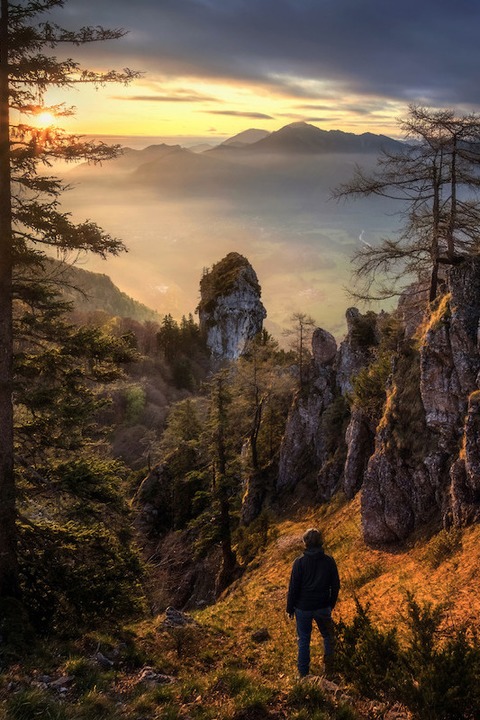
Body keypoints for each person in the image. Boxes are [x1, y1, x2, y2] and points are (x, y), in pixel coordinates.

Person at [286, 527, 340, 678]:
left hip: (303, 607)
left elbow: (293, 588)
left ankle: (303, 675)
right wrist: (331, 604)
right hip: (323, 605)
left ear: (305, 543)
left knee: (303, 639)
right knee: (328, 636)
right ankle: (330, 670)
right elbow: (335, 585)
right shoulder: (329, 561)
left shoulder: (299, 562)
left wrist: (290, 608)